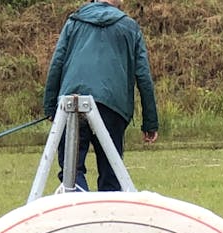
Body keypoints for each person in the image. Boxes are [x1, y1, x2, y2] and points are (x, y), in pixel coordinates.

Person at [43, 0, 159, 191]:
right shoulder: (130, 27)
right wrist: (150, 122)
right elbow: (143, 77)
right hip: (112, 107)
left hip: (73, 102)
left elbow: (57, 64)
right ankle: (109, 216)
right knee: (111, 173)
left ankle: (79, 210)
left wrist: (50, 107)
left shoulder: (74, 22)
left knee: (72, 172)